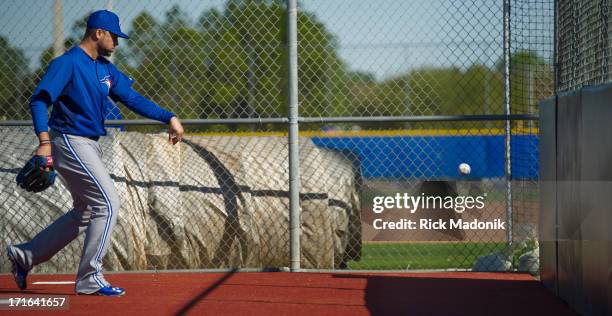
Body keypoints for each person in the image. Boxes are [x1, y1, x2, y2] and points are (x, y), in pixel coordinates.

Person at [6, 10, 184, 297]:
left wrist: (169, 117)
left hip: (89, 143)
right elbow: (39, 100)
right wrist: (44, 141)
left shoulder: (104, 68)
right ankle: (90, 276)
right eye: (114, 35)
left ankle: (25, 256)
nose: (117, 41)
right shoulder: (68, 63)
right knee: (108, 203)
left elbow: (132, 98)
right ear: (97, 33)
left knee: (86, 211)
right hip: (67, 139)